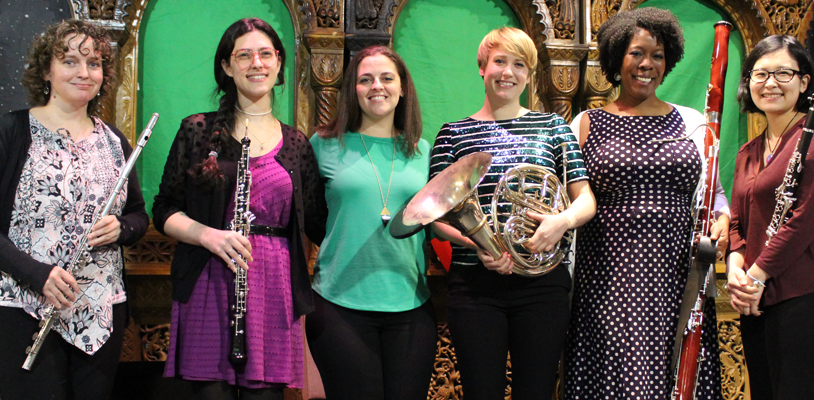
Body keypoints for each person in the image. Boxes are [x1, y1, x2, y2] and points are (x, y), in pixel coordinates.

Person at [152, 18, 325, 399]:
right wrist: (207, 235)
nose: (256, 63)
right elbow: (163, 209)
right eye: (243, 55)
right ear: (227, 67)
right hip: (207, 280)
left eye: (266, 54)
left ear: (279, 64)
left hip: (274, 290)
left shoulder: (297, 144)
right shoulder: (197, 130)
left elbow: (318, 222)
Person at [564, 8, 730, 399]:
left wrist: (723, 216)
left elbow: (715, 193)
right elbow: (569, 199)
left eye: (657, 55)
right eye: (637, 53)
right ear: (616, 58)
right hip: (608, 281)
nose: (647, 64)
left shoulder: (691, 122)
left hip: (677, 278)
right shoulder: (586, 123)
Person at [429, 27, 596, 400]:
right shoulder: (452, 134)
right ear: (482, 67)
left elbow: (585, 200)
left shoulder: (552, 128)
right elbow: (436, 220)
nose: (508, 72)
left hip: (543, 283)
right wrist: (479, 244)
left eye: (519, 64)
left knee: (535, 392)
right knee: (480, 391)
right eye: (499, 61)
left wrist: (560, 222)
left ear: (529, 73)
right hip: (475, 285)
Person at [0, 20, 148, 400]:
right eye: (69, 61)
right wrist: (37, 274)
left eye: (94, 63)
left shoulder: (114, 140)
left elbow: (137, 215)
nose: (84, 72)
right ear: (46, 69)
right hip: (24, 308)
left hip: (99, 313)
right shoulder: (12, 132)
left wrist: (122, 229)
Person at [305, 45, 436, 400]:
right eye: (365, 79)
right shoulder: (324, 144)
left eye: (386, 78)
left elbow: (437, 224)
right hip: (339, 306)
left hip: (411, 306)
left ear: (403, 87)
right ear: (354, 90)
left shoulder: (423, 150)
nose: (376, 86)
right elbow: (311, 217)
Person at [727, 35, 814, 400]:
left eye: (783, 73)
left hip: (804, 295)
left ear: (804, 82)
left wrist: (757, 276)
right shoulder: (748, 151)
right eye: (760, 74)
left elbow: (806, 219)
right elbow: (735, 222)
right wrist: (736, 267)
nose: (770, 83)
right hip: (755, 301)